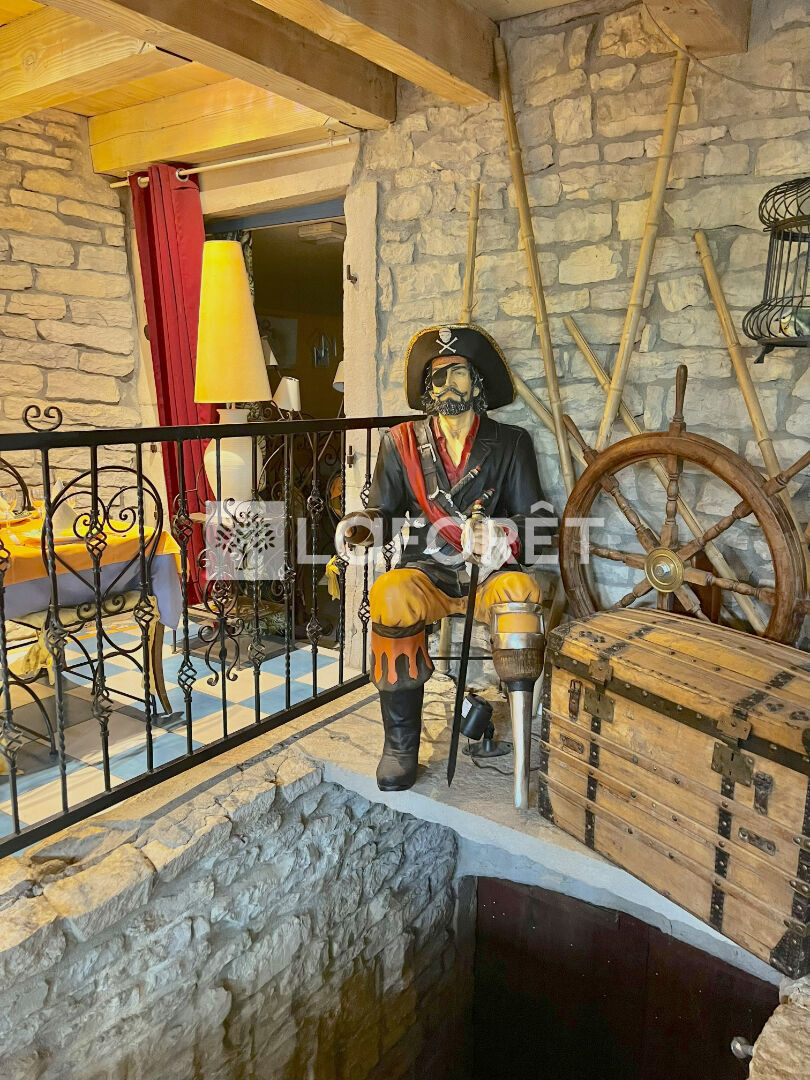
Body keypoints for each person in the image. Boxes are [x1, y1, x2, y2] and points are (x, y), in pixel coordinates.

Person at [336, 325, 547, 800]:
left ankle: (521, 752)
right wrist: (362, 526)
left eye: (458, 374)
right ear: (427, 389)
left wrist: (500, 533)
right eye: (437, 377)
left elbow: (538, 522)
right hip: (426, 571)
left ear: (478, 382)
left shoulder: (511, 442)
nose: (448, 386)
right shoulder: (400, 443)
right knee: (389, 594)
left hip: (488, 572)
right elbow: (385, 514)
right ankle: (400, 744)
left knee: (521, 594)